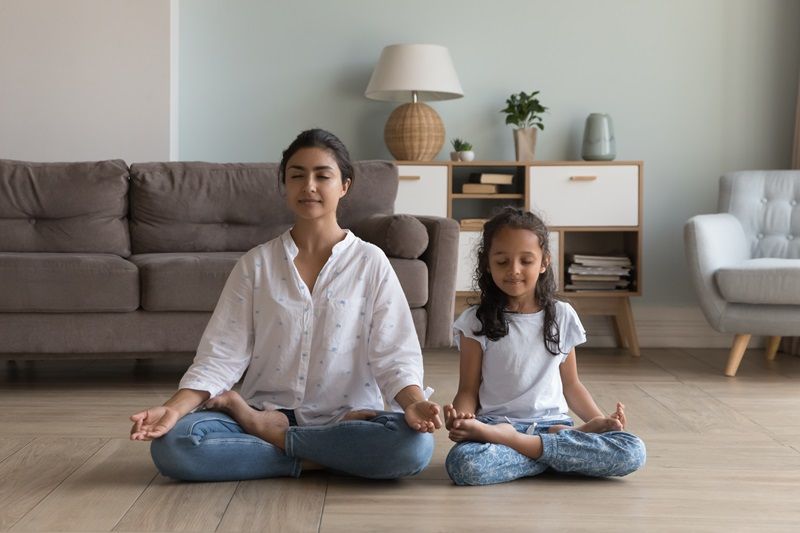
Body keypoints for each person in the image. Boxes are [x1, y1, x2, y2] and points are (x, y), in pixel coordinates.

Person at [130, 128, 442, 481]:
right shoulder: (256, 264)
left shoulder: (371, 263)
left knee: (414, 448)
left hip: (349, 420)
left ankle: (273, 438)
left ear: (344, 186)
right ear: (284, 186)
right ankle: (325, 455)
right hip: (268, 408)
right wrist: (172, 410)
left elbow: (395, 356)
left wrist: (414, 405)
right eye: (297, 176)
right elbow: (221, 355)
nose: (309, 186)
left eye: (322, 176)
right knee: (174, 445)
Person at [444, 207, 646, 486]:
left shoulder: (562, 315)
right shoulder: (474, 322)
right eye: (502, 261)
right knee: (464, 465)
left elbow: (572, 385)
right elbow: (468, 389)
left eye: (525, 260)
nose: (514, 270)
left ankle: (523, 446)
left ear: (544, 262)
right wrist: (463, 418)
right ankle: (552, 455)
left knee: (632, 451)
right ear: (487, 264)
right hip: (496, 427)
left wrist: (599, 422)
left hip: (552, 425)